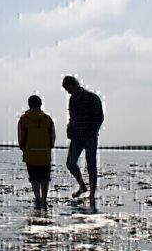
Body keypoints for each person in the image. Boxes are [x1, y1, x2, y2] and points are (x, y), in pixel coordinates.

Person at [62, 75, 104, 210]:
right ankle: (82, 186)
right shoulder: (72, 100)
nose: (69, 92)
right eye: (67, 91)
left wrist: (92, 131)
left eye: (69, 89)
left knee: (91, 165)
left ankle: (92, 193)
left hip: (90, 137)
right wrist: (70, 127)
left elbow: (100, 117)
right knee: (70, 163)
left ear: (75, 85)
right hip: (76, 137)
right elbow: (72, 117)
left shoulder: (92, 98)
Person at [17, 95, 56, 209]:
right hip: (45, 153)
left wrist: (23, 148)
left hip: (31, 153)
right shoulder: (47, 119)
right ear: (40, 104)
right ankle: (44, 199)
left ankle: (37, 198)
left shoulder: (24, 119)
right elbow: (52, 136)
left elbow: (21, 138)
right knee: (45, 178)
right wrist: (49, 147)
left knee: (34, 178)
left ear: (29, 105)